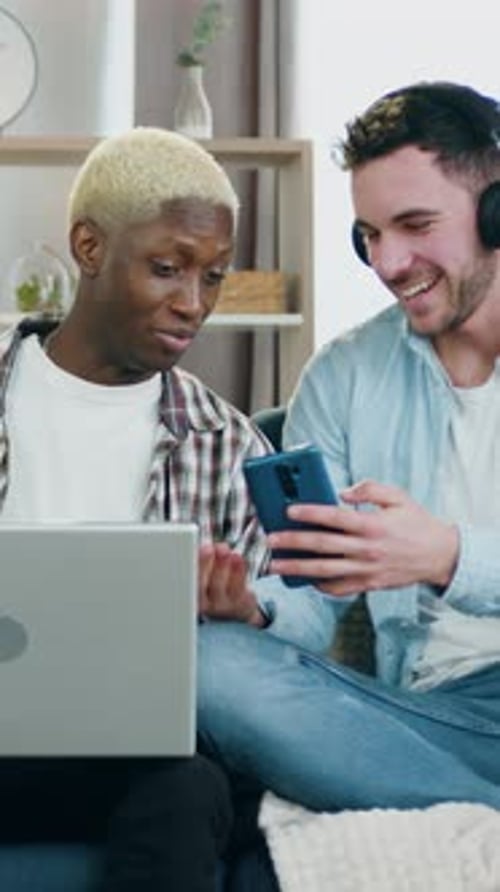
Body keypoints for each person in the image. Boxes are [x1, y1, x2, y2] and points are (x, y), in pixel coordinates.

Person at [197, 81, 500, 824]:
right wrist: (254, 609)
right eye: (367, 233)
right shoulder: (344, 375)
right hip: (424, 716)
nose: (389, 262)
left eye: (415, 224)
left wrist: (447, 556)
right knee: (212, 665)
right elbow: (313, 603)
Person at [0, 126, 275, 892]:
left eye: (214, 277)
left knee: (190, 785)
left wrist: (246, 620)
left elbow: (280, 661)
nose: (193, 305)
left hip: (136, 763)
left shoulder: (228, 444)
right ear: (89, 248)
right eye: (167, 269)